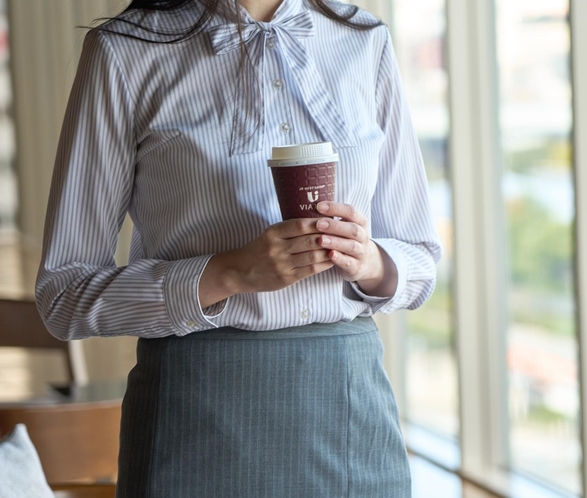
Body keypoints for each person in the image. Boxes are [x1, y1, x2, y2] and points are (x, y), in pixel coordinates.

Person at [35, 0, 441, 496]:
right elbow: (64, 294)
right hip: (194, 419)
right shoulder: (123, 51)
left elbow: (420, 258)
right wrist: (229, 273)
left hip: (354, 412)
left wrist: (371, 260)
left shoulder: (364, 39)